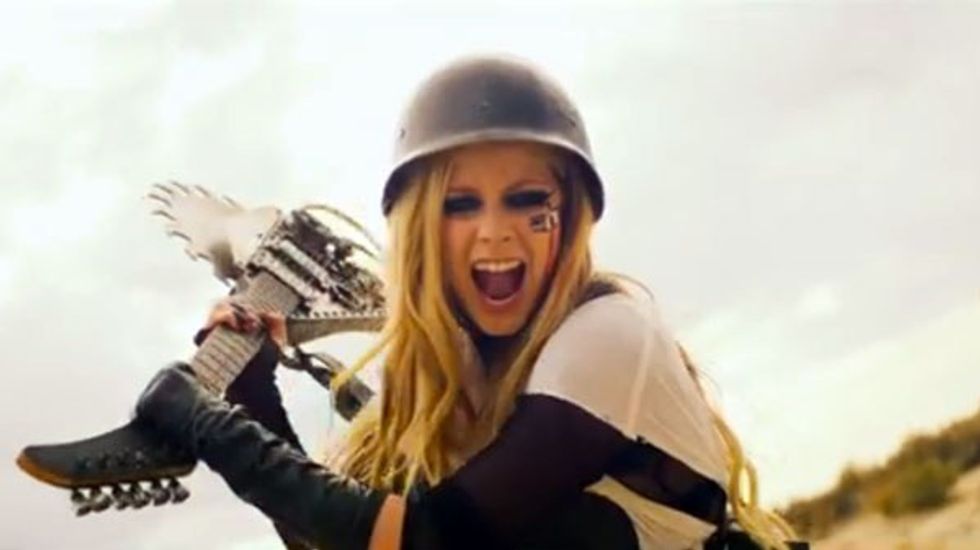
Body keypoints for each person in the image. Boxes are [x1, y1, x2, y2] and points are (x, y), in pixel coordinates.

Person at [136, 56, 801, 549]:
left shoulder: (609, 334)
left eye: (526, 200)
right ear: (421, 227)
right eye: (459, 205)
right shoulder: (466, 384)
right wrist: (254, 396)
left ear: (570, 215)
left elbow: (427, 540)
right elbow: (348, 541)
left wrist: (209, 428)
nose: (494, 232)